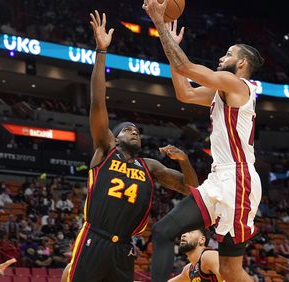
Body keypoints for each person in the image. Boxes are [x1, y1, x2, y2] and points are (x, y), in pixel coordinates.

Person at [63, 11, 199, 282]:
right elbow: (98, 102)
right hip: (94, 238)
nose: (135, 132)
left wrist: (184, 161)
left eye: (137, 131)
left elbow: (192, 190)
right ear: (114, 137)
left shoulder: (150, 166)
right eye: (128, 129)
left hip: (124, 247)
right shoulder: (105, 150)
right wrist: (101, 52)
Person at [143, 2, 265, 281]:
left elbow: (185, 66)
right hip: (217, 180)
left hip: (239, 180)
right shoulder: (219, 90)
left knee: (230, 273)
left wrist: (160, 23)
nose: (222, 57)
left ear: (242, 63)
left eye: (229, 54)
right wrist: (168, 43)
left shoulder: (238, 85)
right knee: (163, 232)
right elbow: (184, 93)